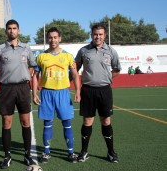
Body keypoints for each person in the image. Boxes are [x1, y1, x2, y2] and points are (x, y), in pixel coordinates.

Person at [0, 19, 37, 169]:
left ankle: (27, 155)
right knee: (6, 123)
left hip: (23, 88)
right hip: (6, 89)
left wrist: (25, 76)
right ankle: (7, 156)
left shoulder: (26, 48)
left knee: (25, 122)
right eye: (9, 28)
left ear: (19, 30)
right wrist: (3, 82)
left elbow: (32, 66)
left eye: (14, 28)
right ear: (6, 31)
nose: (12, 31)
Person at [32, 27, 81, 163]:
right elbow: (35, 76)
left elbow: (75, 74)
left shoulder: (68, 56)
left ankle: (71, 153)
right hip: (46, 93)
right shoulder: (41, 56)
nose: (52, 40)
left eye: (55, 37)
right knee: (48, 123)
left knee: (67, 123)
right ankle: (46, 152)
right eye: (50, 37)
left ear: (60, 38)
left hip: (63, 93)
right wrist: (34, 93)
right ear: (47, 39)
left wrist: (77, 91)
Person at [75, 24, 121, 163]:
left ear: (105, 35)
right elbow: (75, 68)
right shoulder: (83, 51)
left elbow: (117, 69)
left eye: (100, 34)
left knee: (106, 121)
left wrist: (107, 78)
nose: (98, 37)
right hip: (88, 90)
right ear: (91, 35)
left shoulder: (111, 51)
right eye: (95, 34)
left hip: (105, 90)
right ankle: (84, 152)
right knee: (87, 121)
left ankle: (111, 152)